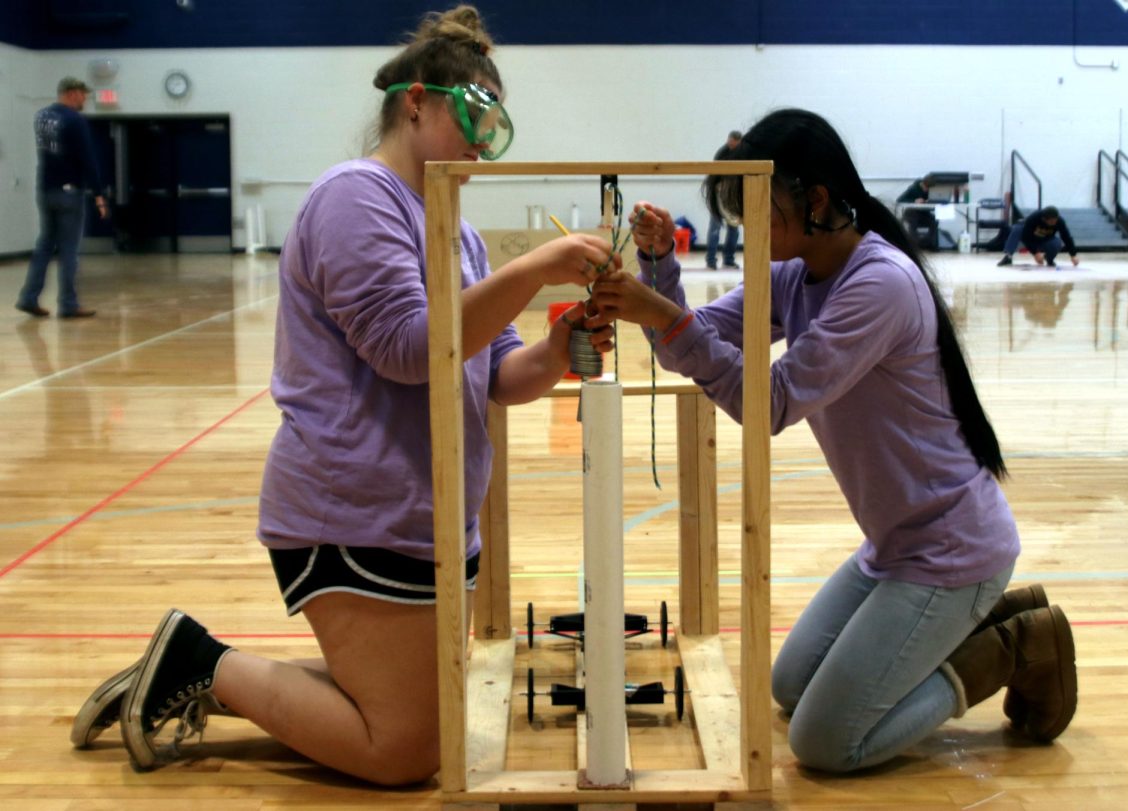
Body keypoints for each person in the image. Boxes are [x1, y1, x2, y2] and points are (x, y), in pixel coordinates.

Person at [70, 5, 617, 785]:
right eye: (471, 118)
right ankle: (202, 662)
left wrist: (560, 348)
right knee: (405, 754)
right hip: (352, 512)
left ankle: (201, 674)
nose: (478, 144)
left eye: (493, 131)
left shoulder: (453, 227)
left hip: (422, 515)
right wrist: (534, 267)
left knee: (421, 722)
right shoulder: (354, 197)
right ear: (417, 101)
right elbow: (408, 350)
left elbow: (498, 374)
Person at [588, 108, 1076, 773]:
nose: (747, 228)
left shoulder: (880, 283)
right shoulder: (794, 276)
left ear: (816, 200)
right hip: (895, 543)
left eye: (760, 209)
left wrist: (664, 315)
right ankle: (977, 618)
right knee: (788, 686)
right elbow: (690, 341)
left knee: (825, 742)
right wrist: (656, 266)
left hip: (951, 548)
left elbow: (771, 401)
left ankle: (1010, 644)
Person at [16, 77, 107, 319]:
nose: (84, 100)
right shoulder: (74, 120)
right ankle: (68, 303)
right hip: (69, 192)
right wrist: (98, 194)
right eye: (82, 95)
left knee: (45, 245)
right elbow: (87, 158)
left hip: (46, 189)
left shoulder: (42, 117)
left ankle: (28, 297)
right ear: (71, 93)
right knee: (69, 250)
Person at [704, 130, 743, 269]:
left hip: (733, 193)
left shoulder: (742, 153)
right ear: (728, 141)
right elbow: (714, 176)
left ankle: (728, 259)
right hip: (718, 191)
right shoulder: (722, 153)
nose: (732, 147)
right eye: (730, 144)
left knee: (734, 227)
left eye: (735, 145)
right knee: (715, 227)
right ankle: (711, 260)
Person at [997, 206, 1079, 267]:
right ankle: (1008, 256)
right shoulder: (1034, 218)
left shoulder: (1059, 221)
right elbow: (1026, 237)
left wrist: (1073, 255)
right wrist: (1035, 253)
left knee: (1057, 243)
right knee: (1017, 229)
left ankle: (1049, 259)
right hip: (1029, 239)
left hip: (1044, 240)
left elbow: (1067, 237)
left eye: (1055, 220)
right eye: (1051, 222)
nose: (1054, 223)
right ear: (1044, 219)